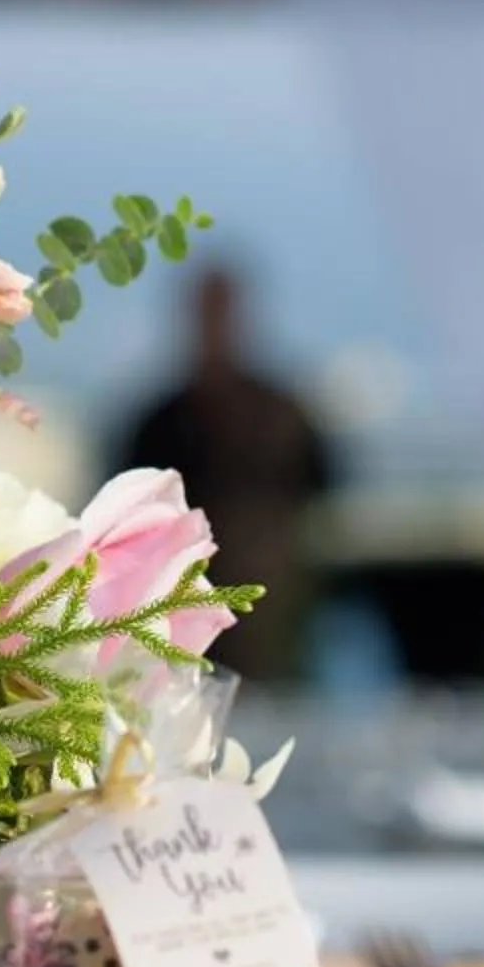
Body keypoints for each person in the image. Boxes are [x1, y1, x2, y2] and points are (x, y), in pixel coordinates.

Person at [120, 263, 335, 685]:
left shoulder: (285, 415)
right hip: (177, 620)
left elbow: (320, 500)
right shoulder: (157, 421)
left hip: (274, 621)